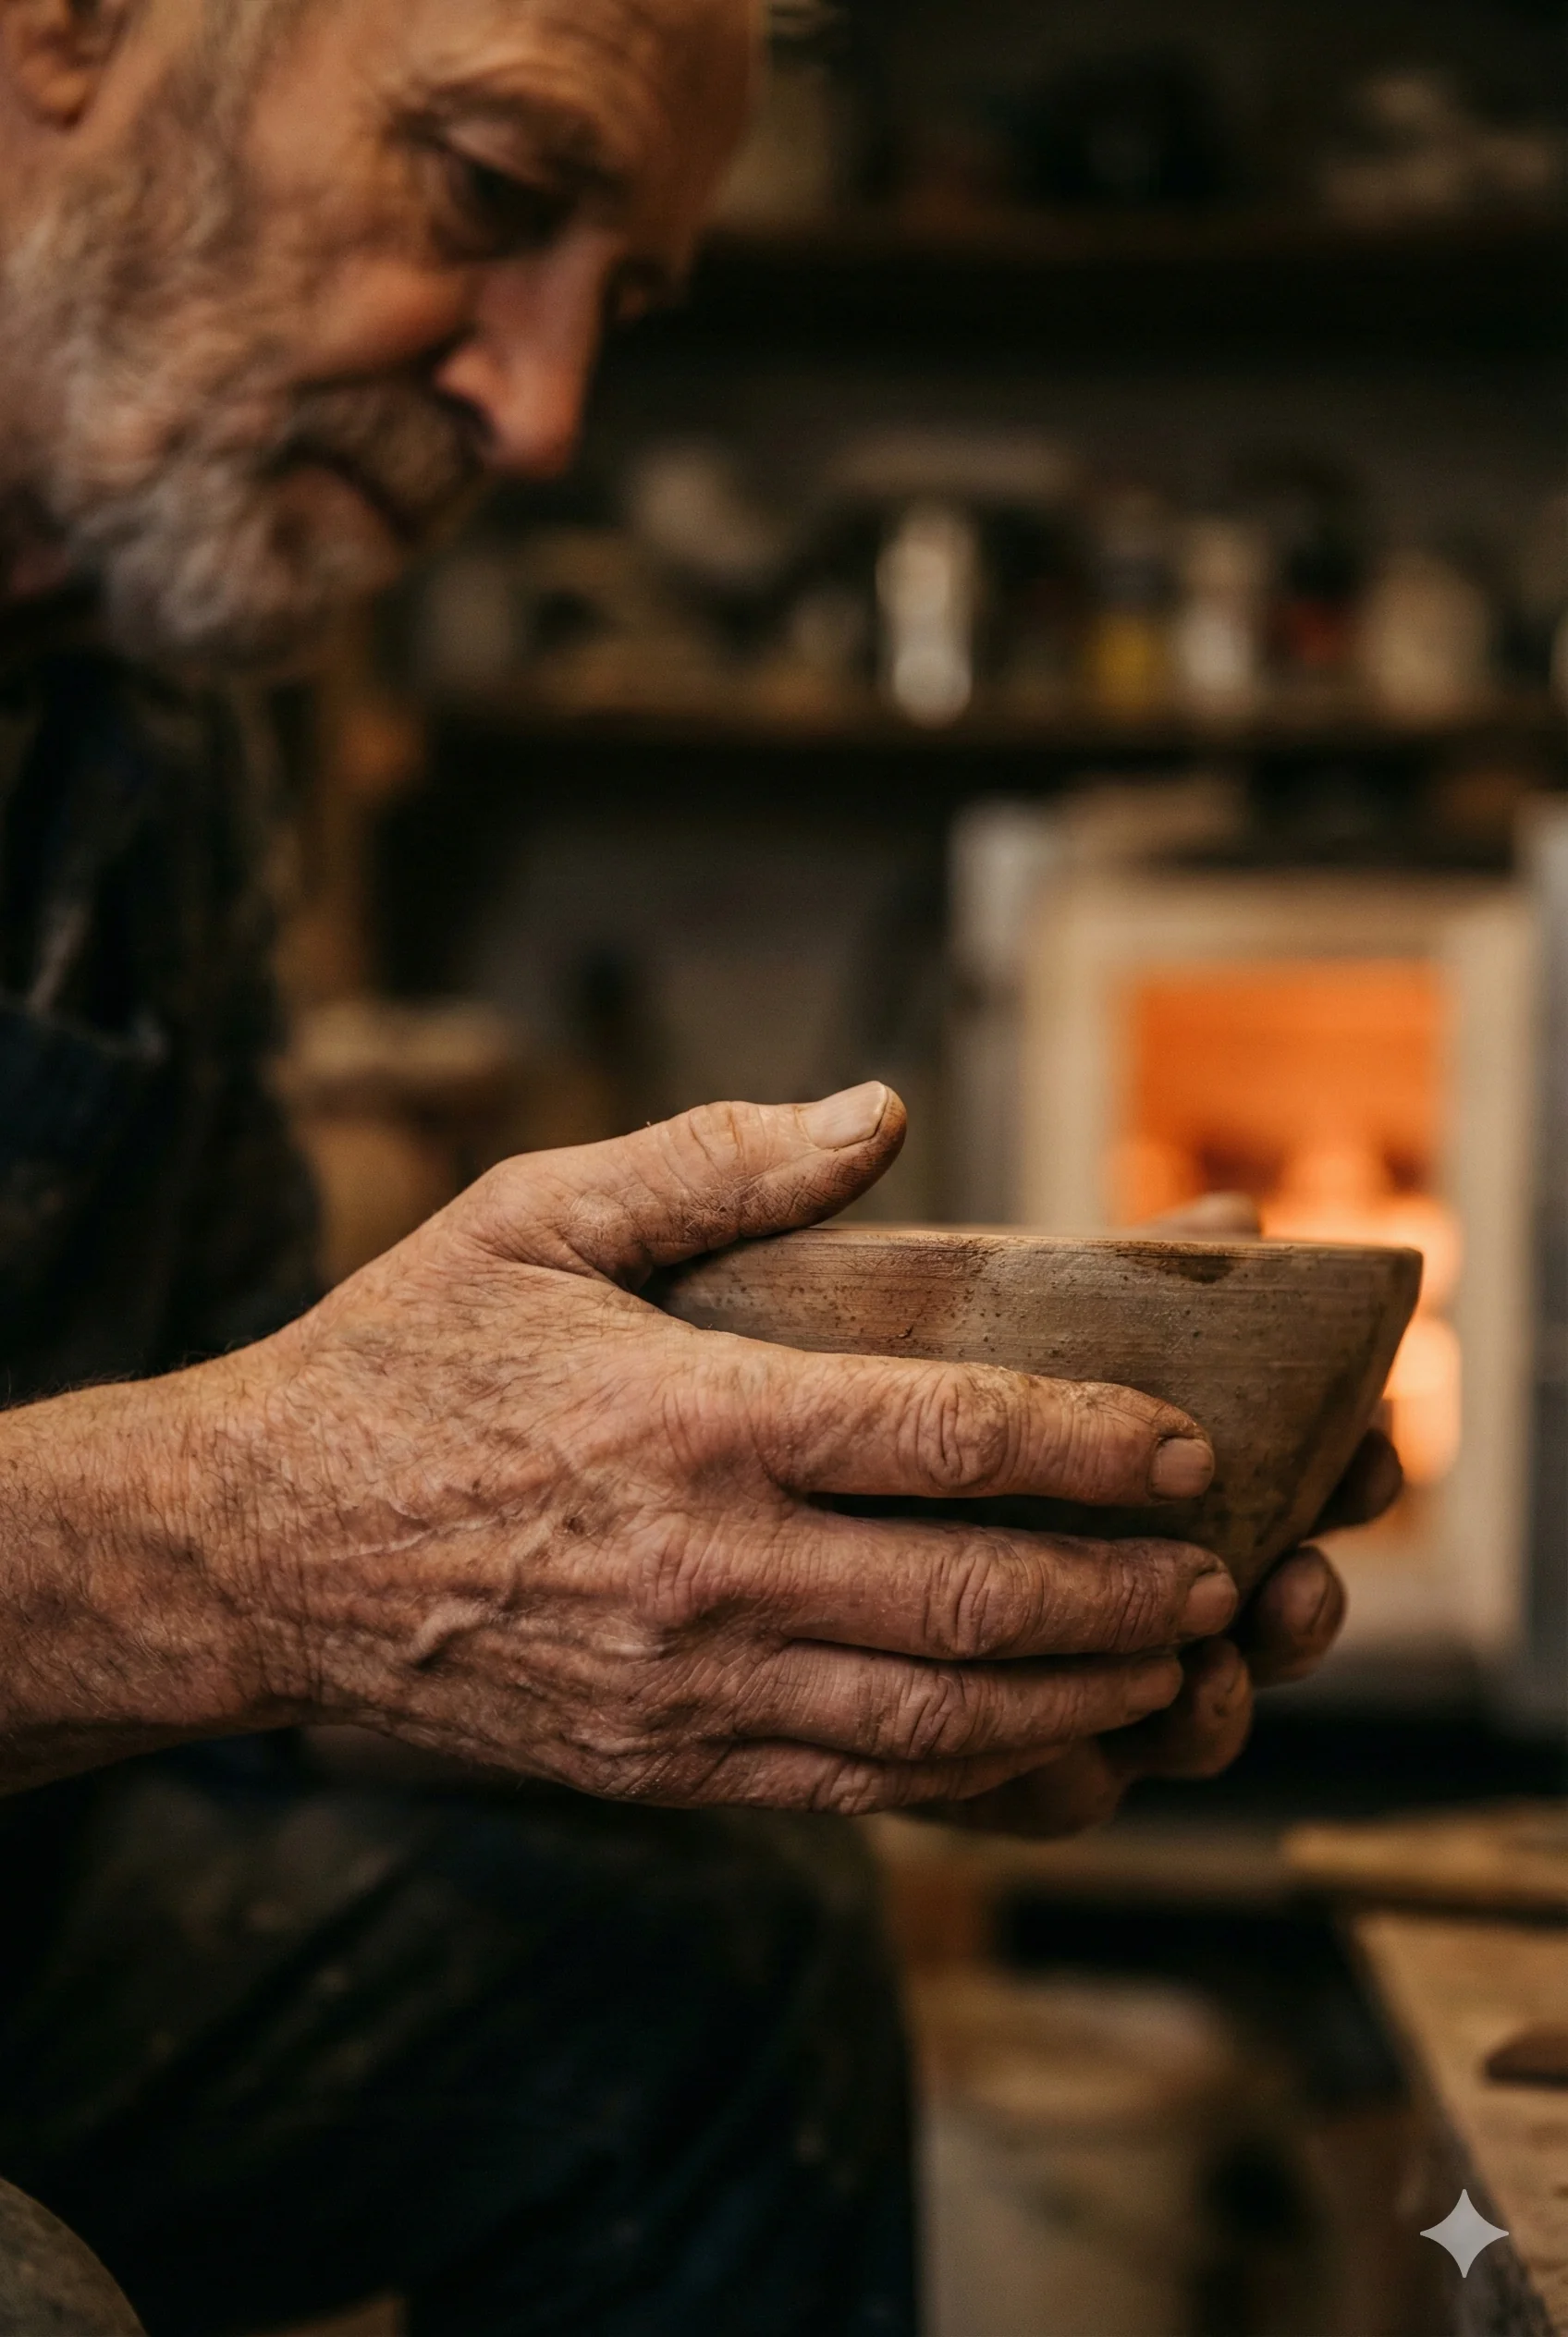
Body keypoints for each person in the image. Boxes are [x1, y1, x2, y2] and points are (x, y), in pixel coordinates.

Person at [0, 0, 1401, 2326]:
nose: (539, 417)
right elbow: (222, 1545)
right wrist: (247, 1533)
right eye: (484, 191)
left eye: (620, 301)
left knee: (712, 1988)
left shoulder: (163, 699)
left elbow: (251, 1599)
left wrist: (785, 1620)